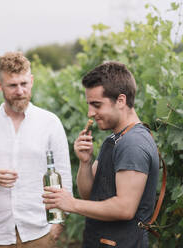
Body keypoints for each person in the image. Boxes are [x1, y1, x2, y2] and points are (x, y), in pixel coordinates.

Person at [42, 61, 159, 248]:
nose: (90, 113)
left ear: (121, 100)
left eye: (96, 105)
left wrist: (71, 204)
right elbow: (90, 194)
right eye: (89, 105)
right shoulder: (113, 140)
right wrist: (85, 162)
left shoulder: (133, 144)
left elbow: (124, 208)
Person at [0, 51, 73, 247]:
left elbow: (64, 175)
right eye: (13, 85)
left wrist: (58, 224)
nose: (20, 91)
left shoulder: (50, 123)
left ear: (31, 81)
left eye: (24, 84)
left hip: (40, 232)